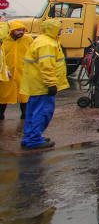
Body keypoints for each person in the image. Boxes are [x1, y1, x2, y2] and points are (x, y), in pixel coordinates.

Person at [20, 18, 69, 149]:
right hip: (43, 86)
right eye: (59, 28)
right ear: (52, 29)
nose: (61, 30)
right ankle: (34, 140)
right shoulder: (47, 44)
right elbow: (46, 66)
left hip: (37, 85)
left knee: (33, 111)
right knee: (43, 112)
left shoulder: (43, 40)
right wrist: (51, 83)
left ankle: (30, 136)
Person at [0, 20, 33, 119]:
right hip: (7, 73)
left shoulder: (28, 39)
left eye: (22, 30)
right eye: (18, 30)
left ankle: (25, 115)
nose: (21, 32)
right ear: (12, 30)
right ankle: (0, 115)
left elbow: (34, 55)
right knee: (3, 96)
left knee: (24, 96)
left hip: (23, 72)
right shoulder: (4, 41)